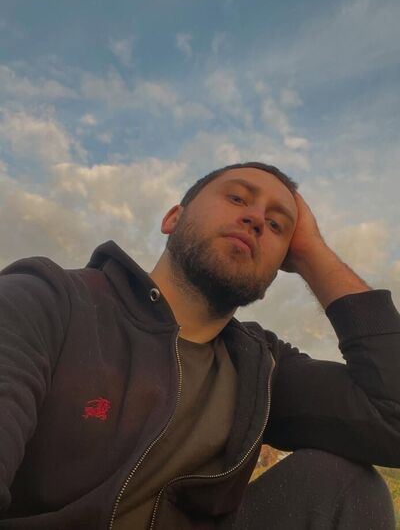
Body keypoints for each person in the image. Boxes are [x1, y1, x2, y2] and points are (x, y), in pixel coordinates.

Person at [0, 162, 399, 530]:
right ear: (173, 218)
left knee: (345, 484)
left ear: (277, 270)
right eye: (237, 198)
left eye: (277, 226)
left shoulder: (260, 370)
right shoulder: (49, 299)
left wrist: (313, 253)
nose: (256, 218)